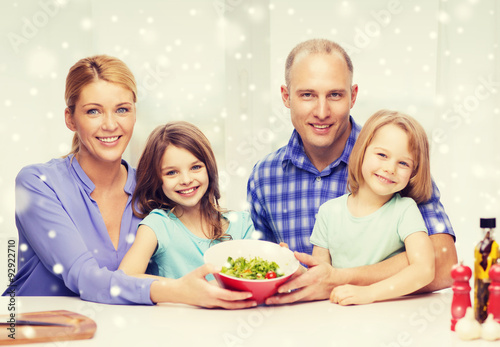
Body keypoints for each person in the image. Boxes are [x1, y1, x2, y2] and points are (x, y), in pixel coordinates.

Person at [4, 55, 256, 309]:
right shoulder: (38, 183)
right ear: (70, 119)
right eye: (94, 111)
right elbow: (83, 277)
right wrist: (178, 290)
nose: (111, 124)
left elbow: (192, 240)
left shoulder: (153, 188)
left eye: (122, 109)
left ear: (135, 114)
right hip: (36, 328)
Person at [247, 39, 458, 304]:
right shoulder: (264, 178)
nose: (322, 112)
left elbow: (443, 263)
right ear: (286, 97)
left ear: (353, 96)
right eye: (307, 95)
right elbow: (258, 274)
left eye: (335, 95)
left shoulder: (389, 165)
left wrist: (340, 280)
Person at [311, 110, 435, 305]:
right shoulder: (328, 212)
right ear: (362, 151)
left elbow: (425, 269)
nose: (390, 168)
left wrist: (369, 294)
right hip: (339, 314)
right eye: (382, 155)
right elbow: (320, 277)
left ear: (414, 172)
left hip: (387, 314)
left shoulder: (405, 210)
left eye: (403, 163)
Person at [118, 121, 255, 280]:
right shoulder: (158, 225)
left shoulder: (243, 225)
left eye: (195, 167)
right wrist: (185, 290)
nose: (186, 180)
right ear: (157, 179)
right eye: (171, 172)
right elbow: (124, 279)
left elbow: (258, 277)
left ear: (209, 168)